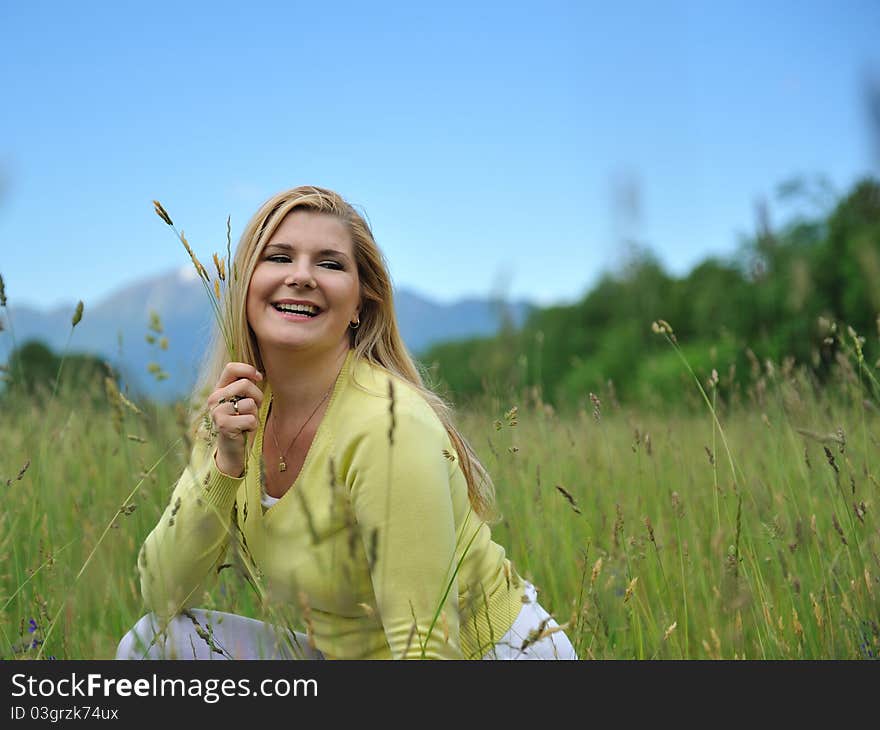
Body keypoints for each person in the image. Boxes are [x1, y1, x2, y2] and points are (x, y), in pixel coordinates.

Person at [116, 185, 577, 660]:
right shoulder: (237, 408)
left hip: (483, 657)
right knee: (153, 645)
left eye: (330, 264)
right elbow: (162, 592)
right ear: (245, 285)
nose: (301, 277)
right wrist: (224, 463)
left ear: (360, 303)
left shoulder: (388, 426)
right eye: (278, 257)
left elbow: (427, 649)